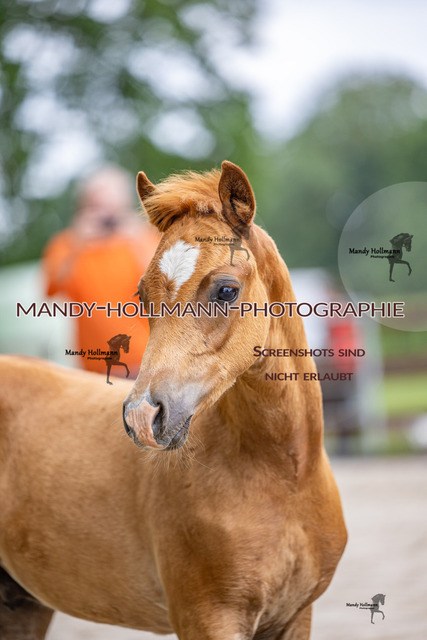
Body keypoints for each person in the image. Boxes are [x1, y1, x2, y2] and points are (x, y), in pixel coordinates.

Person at [43, 166, 160, 378]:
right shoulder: (67, 244)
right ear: (83, 207)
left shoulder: (145, 238)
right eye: (97, 207)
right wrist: (77, 243)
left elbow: (165, 284)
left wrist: (138, 241)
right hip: (93, 368)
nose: (106, 216)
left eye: (113, 208)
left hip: (148, 362)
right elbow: (51, 289)